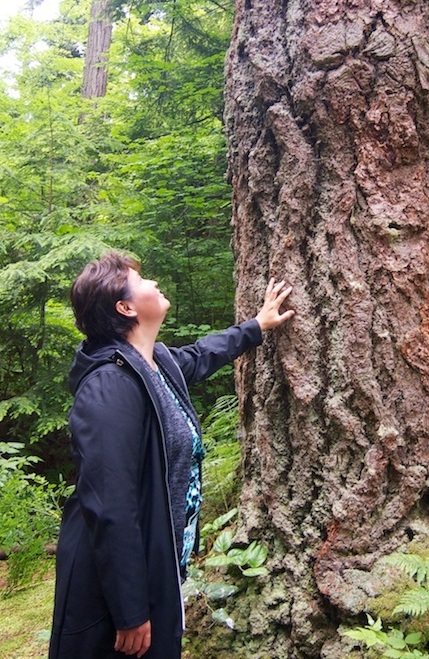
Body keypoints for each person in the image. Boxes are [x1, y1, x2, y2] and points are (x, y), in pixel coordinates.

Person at [48, 251, 294, 659]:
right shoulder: (109, 387)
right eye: (140, 281)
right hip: (112, 592)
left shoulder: (153, 364)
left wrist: (257, 326)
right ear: (126, 307)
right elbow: (110, 502)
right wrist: (130, 609)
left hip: (154, 568)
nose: (153, 283)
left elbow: (199, 355)